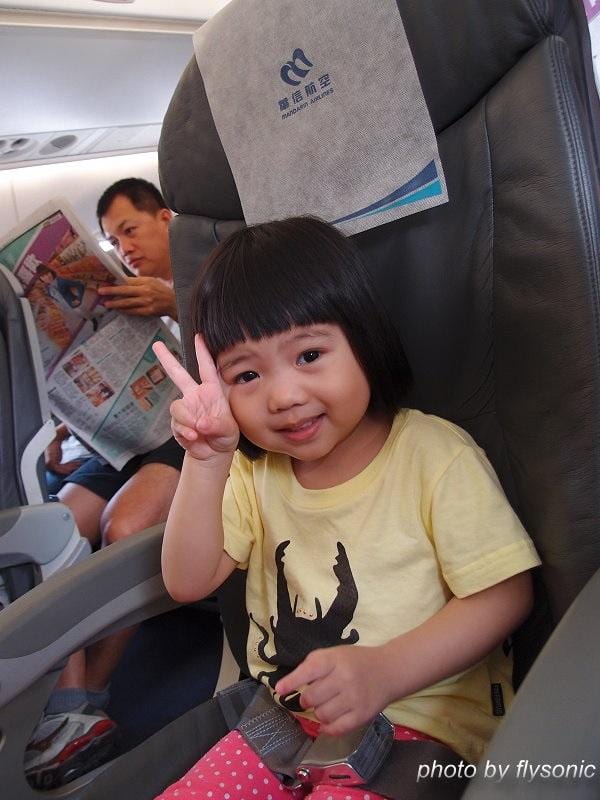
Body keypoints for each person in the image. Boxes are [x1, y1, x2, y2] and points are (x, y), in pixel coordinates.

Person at [151, 216, 541, 800]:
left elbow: (505, 594)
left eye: (309, 354)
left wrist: (385, 670)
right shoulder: (253, 473)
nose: (283, 396)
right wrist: (206, 463)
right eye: (247, 374)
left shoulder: (433, 456)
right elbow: (187, 581)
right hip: (283, 726)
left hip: (420, 729)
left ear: (364, 340)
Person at [25, 179, 184, 790]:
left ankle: (89, 696)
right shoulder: (115, 292)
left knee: (125, 527)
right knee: (53, 530)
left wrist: (174, 301)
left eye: (131, 230)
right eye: (113, 241)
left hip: (177, 432)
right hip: (116, 441)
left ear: (165, 218)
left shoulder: (209, 273)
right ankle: (67, 697)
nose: (124, 248)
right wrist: (64, 433)